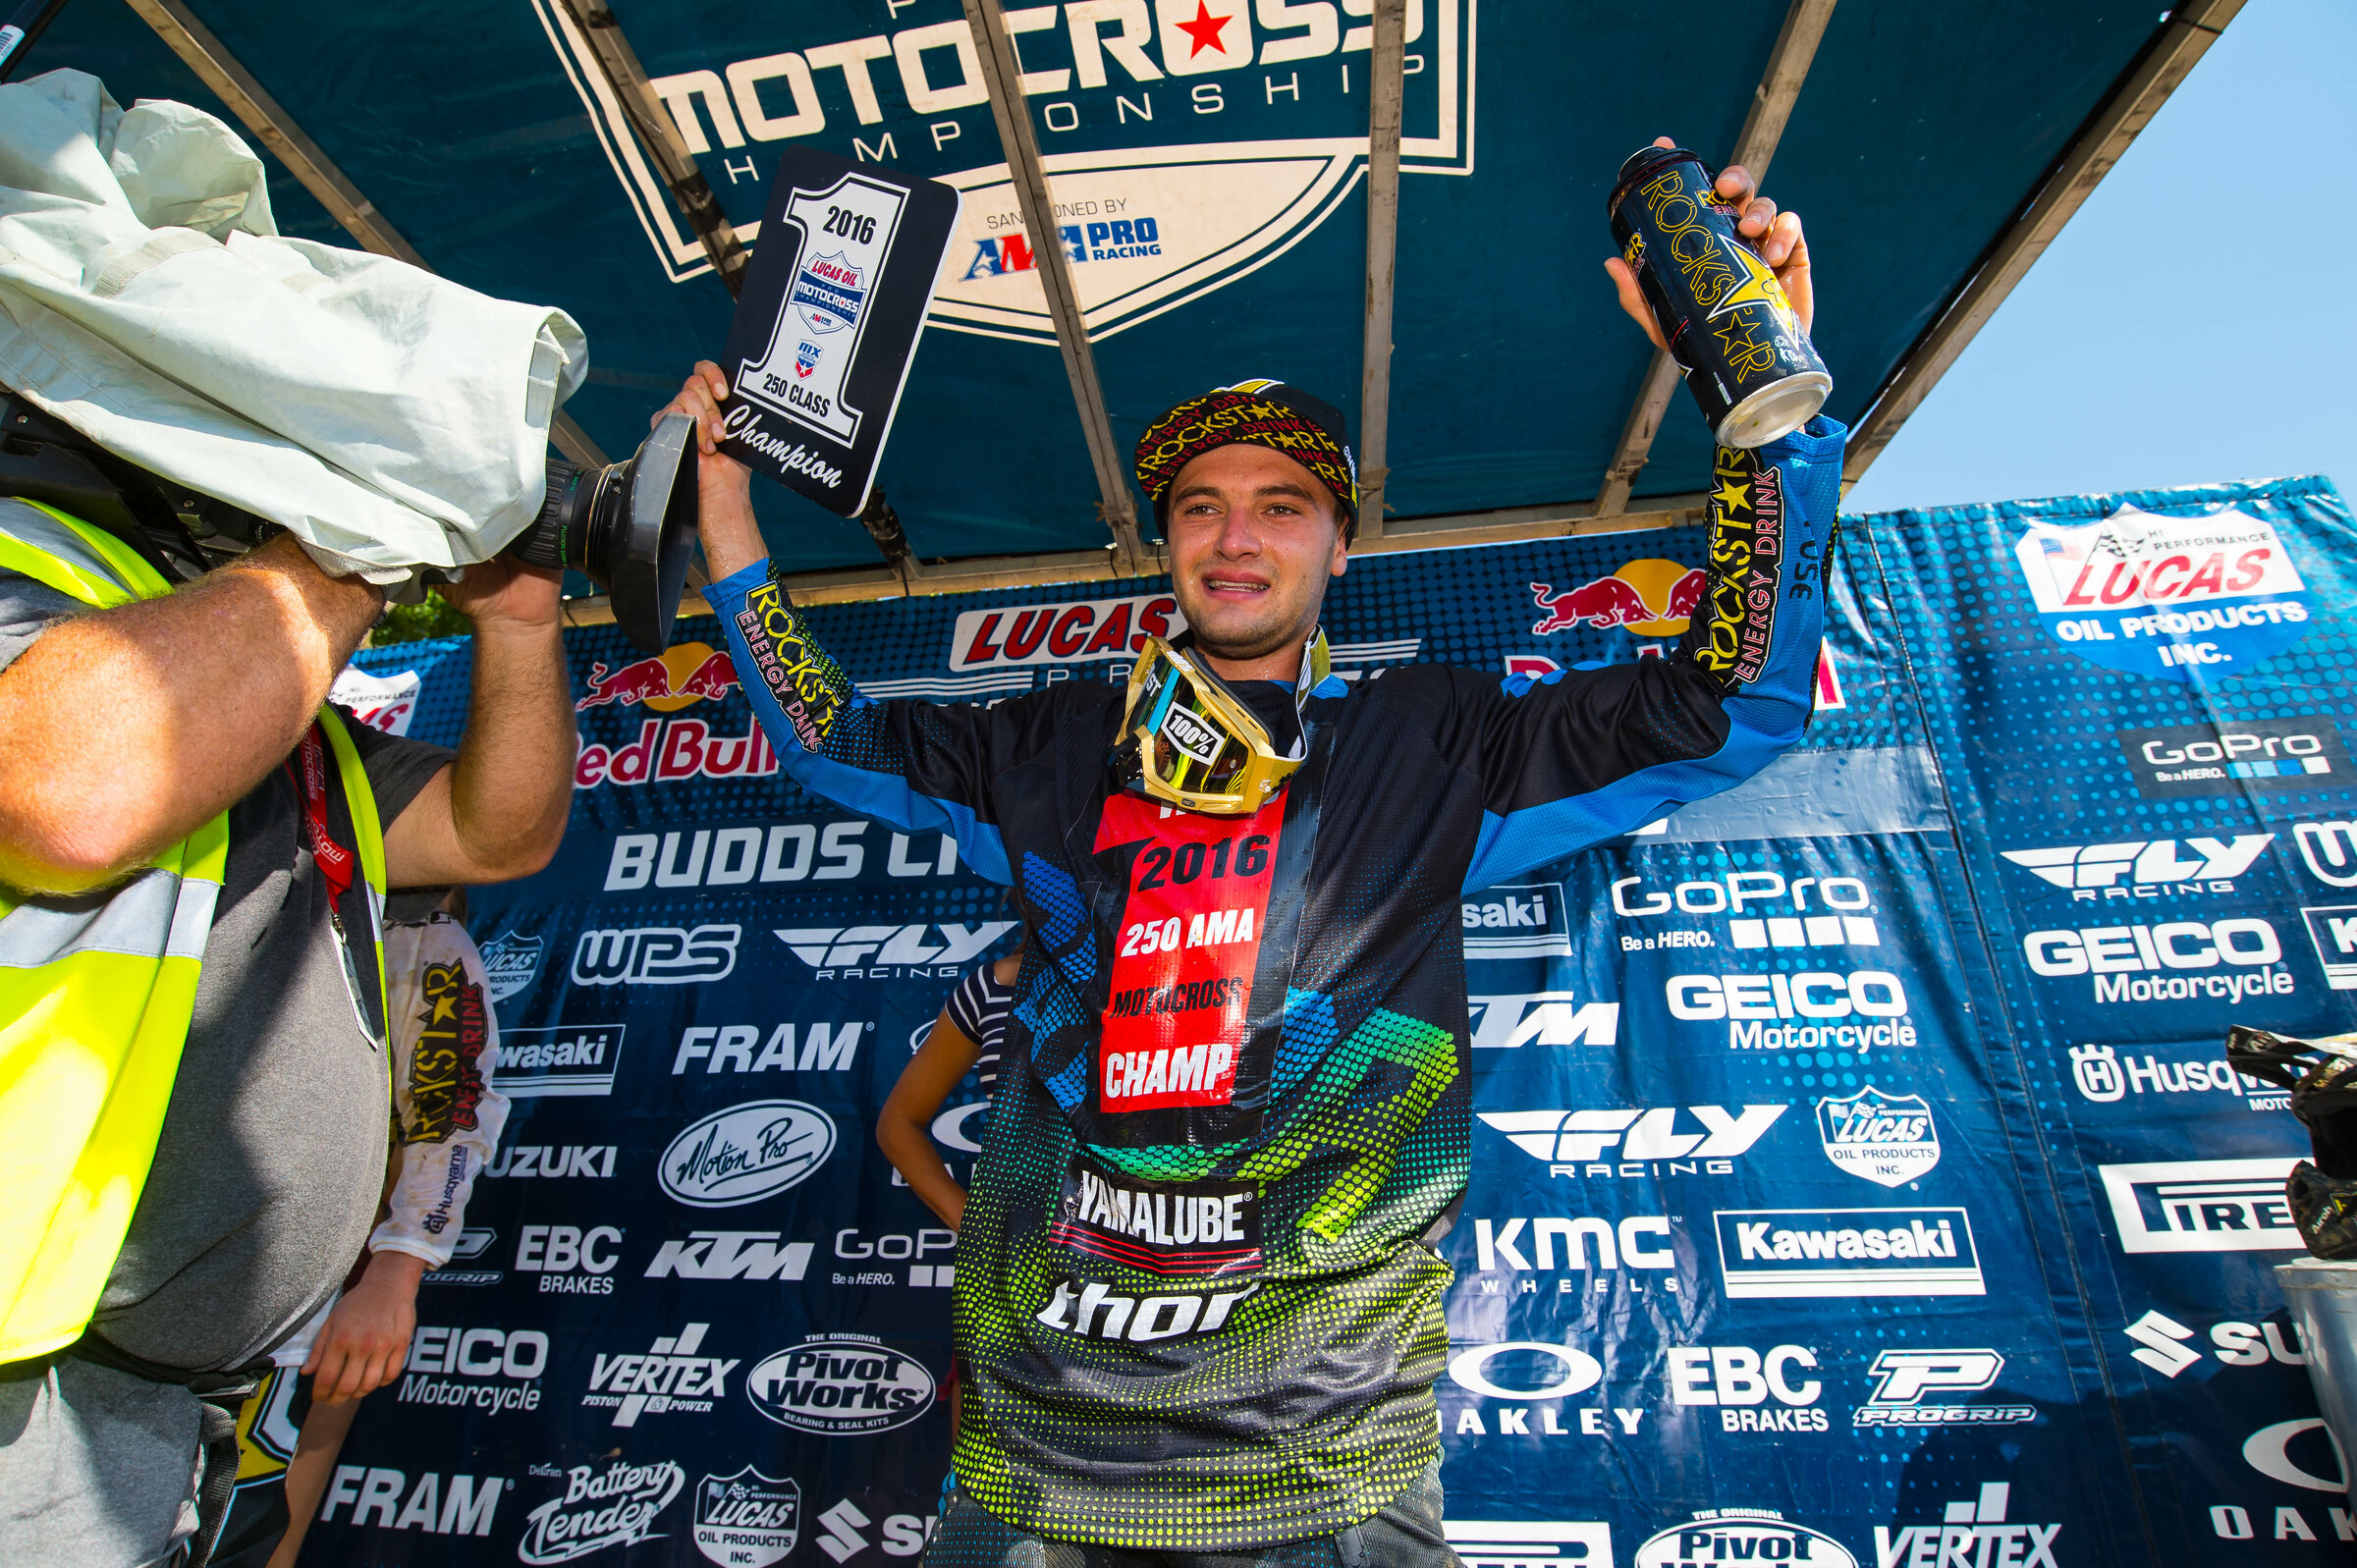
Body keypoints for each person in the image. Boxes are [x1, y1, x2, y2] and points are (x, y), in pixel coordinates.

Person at [667, 150, 1835, 1565]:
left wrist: (1762, 410)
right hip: (1035, 1470)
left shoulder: (1433, 743)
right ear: (1162, 542)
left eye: (1282, 504)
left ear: (1341, 544)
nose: (1235, 538)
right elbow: (832, 737)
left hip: (1326, 1478)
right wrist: (726, 516)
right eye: (1199, 506)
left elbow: (1734, 704)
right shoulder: (1054, 744)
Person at [0, 501, 573, 1568]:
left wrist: (521, 623)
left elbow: (496, 835)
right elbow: (68, 795)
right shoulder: (34, 561)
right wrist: (364, 529)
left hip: (163, 1380)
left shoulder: (309, 743)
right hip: (31, 1352)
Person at [206, 889, 514, 1568]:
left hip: (302, 1306)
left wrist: (396, 1273)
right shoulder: (240, 889)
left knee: (249, 1522)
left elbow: (451, 1117)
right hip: (151, 1288)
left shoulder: (420, 935)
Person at [879, 952, 1018, 1232]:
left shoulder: (1114, 978)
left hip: (1115, 1237)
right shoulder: (992, 985)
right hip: (1026, 1241)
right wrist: (978, 1233)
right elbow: (897, 1123)